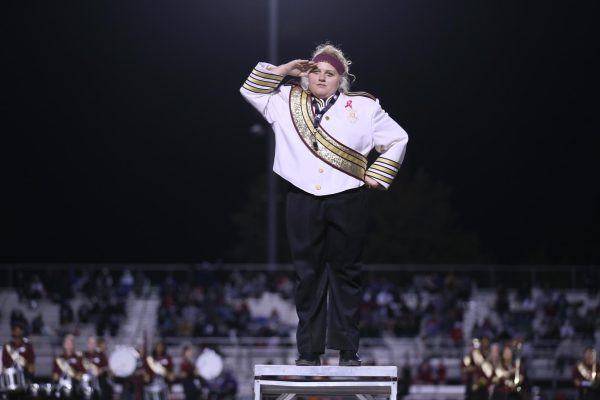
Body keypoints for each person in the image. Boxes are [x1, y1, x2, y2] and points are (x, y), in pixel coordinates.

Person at [240, 43, 408, 366]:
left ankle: (348, 351)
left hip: (348, 197)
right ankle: (309, 351)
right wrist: (283, 70)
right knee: (307, 276)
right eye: (315, 70)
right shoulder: (286, 99)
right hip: (301, 198)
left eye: (329, 73)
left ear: (340, 80)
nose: (321, 77)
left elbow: (398, 138)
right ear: (306, 73)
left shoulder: (363, 107)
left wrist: (378, 174)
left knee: (346, 274)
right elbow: (250, 89)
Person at [52, 334, 86, 399]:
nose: (68, 344)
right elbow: (54, 376)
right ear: (64, 344)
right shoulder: (59, 358)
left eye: (70, 342)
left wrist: (73, 374)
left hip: (75, 388)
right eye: (66, 342)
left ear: (73, 344)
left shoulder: (78, 358)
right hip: (62, 388)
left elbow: (81, 374)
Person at [83, 336, 113, 400]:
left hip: (99, 380)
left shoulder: (101, 355)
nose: (92, 345)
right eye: (90, 343)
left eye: (93, 343)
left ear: (96, 344)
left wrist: (101, 370)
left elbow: (106, 367)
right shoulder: (83, 355)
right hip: (86, 380)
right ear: (87, 344)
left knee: (105, 387)